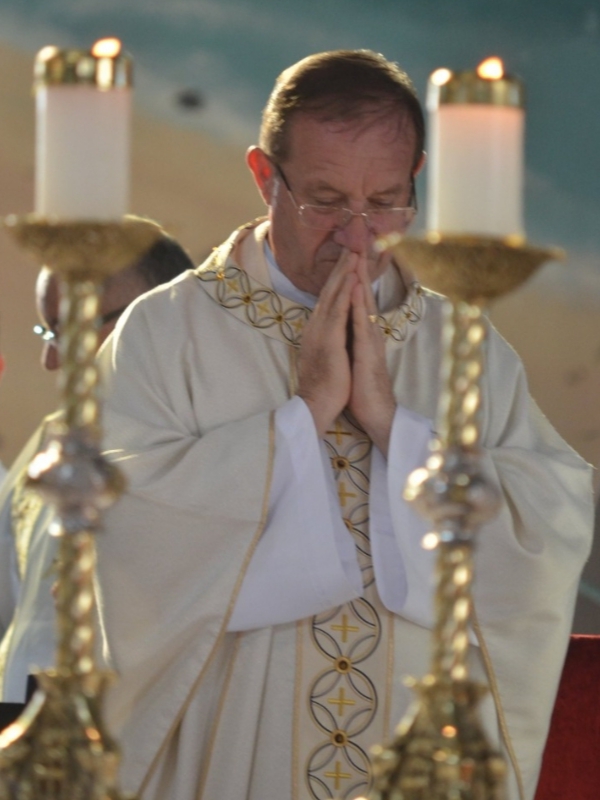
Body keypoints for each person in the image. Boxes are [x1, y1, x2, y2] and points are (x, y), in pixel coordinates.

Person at [94, 51, 593, 800]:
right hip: (237, 741)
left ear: (417, 178)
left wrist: (396, 428)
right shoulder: (166, 333)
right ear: (265, 177)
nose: (357, 237)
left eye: (386, 202)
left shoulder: (463, 345)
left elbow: (550, 526)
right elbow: (122, 535)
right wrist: (301, 418)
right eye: (325, 201)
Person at [0, 221, 195, 719]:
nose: (50, 361)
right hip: (19, 708)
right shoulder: (52, 441)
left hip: (124, 713)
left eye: (68, 331)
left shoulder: (198, 444)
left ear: (154, 314)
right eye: (48, 331)